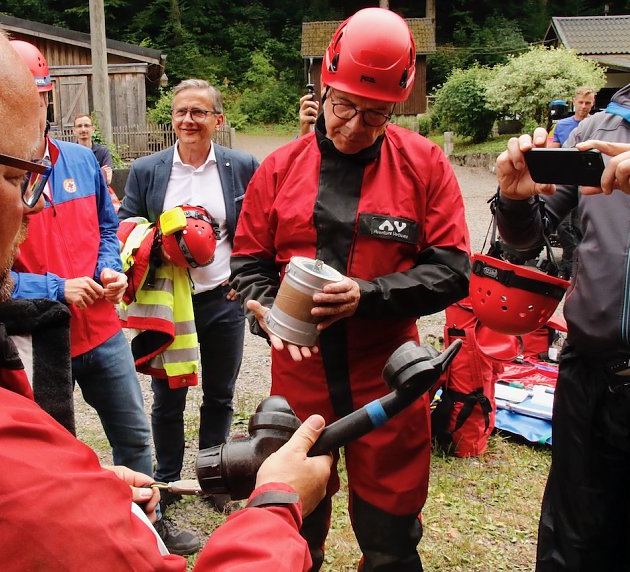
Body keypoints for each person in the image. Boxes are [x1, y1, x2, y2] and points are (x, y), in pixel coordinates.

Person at [0, 0, 332, 568]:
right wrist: (277, 504)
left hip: (110, 327)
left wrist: (71, 481)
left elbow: (111, 226)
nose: (30, 210)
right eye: (16, 177)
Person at [230, 8, 471, 571]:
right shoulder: (281, 168)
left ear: (397, 107)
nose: (353, 127)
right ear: (324, 82)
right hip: (298, 373)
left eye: (375, 114)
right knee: (292, 533)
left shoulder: (425, 165)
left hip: (386, 378)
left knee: (390, 543)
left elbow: (453, 269)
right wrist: (260, 306)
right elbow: (248, 262)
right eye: (343, 106)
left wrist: (368, 295)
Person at [8, 40, 200, 554]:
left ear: (48, 100)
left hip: (102, 331)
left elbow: (108, 227)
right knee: (50, 454)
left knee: (134, 436)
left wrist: (109, 267)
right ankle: (68, 542)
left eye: (38, 98)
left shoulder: (80, 159)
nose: (30, 111)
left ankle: (146, 534)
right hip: (39, 343)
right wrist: (56, 288)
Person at [494, 1, 630, 568]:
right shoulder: (597, 128)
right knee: (576, 548)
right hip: (590, 377)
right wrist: (514, 201)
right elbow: (529, 239)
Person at [119, 79, 259, 532]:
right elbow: (126, 223)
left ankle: (214, 479)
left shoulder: (242, 166)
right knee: (168, 394)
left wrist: (245, 281)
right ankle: (167, 478)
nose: (188, 120)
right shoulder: (147, 169)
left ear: (217, 120)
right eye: (181, 112)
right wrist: (157, 243)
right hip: (169, 299)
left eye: (199, 112)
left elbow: (256, 228)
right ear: (172, 119)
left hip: (223, 295)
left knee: (219, 393)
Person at [548, 87, 594, 279]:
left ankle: (581, 269)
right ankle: (569, 265)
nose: (584, 107)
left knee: (584, 227)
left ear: (593, 103)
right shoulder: (561, 125)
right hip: (566, 183)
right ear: (573, 102)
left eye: (588, 103)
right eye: (581, 102)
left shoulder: (599, 124)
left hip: (589, 186)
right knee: (563, 226)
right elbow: (552, 152)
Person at [73, 112, 114, 187]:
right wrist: (98, 173)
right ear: (74, 130)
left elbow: (107, 179)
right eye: (79, 126)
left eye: (86, 125)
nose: (83, 129)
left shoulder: (103, 152)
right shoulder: (69, 153)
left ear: (93, 129)